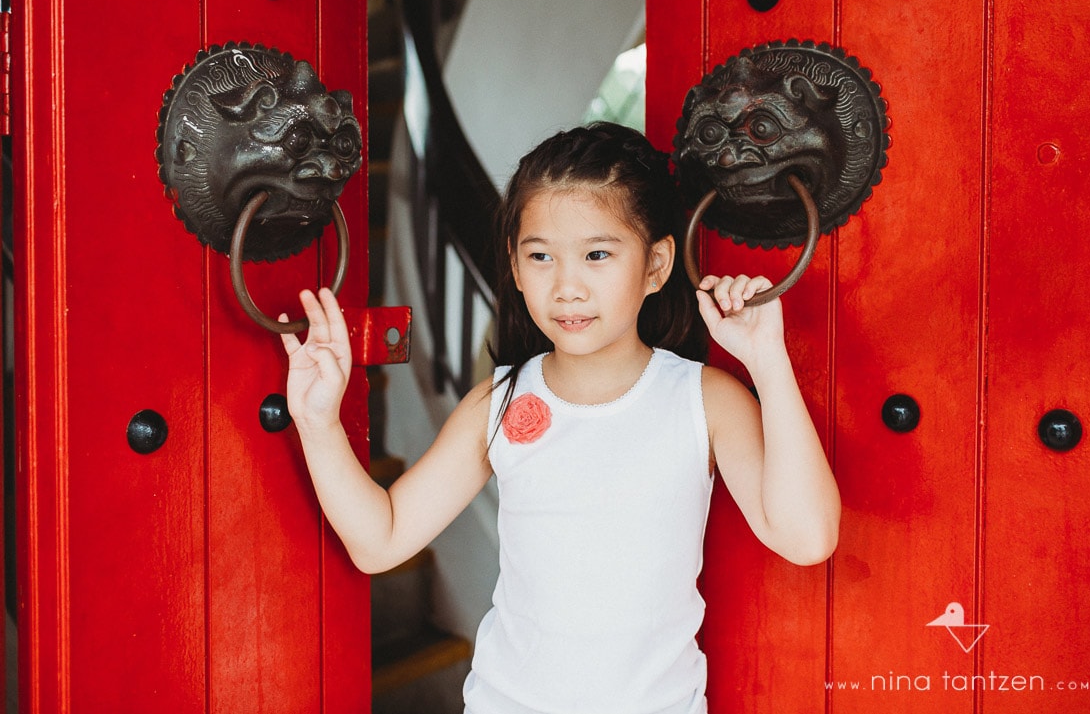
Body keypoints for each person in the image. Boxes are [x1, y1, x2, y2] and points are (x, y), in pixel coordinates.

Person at [281, 122, 840, 713]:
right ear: (517, 271)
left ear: (656, 266)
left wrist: (768, 360)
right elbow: (381, 541)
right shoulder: (495, 404)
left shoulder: (703, 399)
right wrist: (319, 424)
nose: (567, 286)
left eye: (597, 254)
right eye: (541, 256)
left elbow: (807, 538)